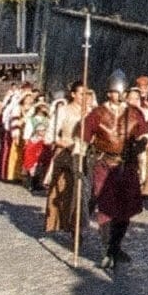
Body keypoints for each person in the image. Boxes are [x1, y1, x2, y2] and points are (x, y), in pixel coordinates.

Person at [84, 70, 148, 270]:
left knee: (125, 210)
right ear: (108, 92)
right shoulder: (97, 114)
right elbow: (84, 137)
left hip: (127, 166)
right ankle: (106, 249)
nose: (115, 95)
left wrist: (141, 152)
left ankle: (116, 246)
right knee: (105, 208)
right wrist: (79, 159)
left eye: (118, 91)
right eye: (112, 91)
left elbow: (144, 136)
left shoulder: (134, 113)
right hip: (105, 164)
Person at [43, 83, 90, 236]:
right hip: (66, 153)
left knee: (82, 192)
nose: (84, 97)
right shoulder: (63, 111)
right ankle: (59, 223)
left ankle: (78, 227)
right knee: (63, 191)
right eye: (81, 93)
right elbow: (50, 136)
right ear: (73, 94)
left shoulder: (90, 112)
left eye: (86, 94)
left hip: (85, 155)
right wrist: (67, 144)